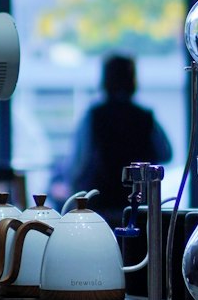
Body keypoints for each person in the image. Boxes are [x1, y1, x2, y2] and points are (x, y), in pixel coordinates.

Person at [69, 53, 172, 227]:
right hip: (139, 206)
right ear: (133, 80)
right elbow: (166, 153)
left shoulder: (94, 116)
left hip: (102, 205)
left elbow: (80, 163)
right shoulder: (145, 117)